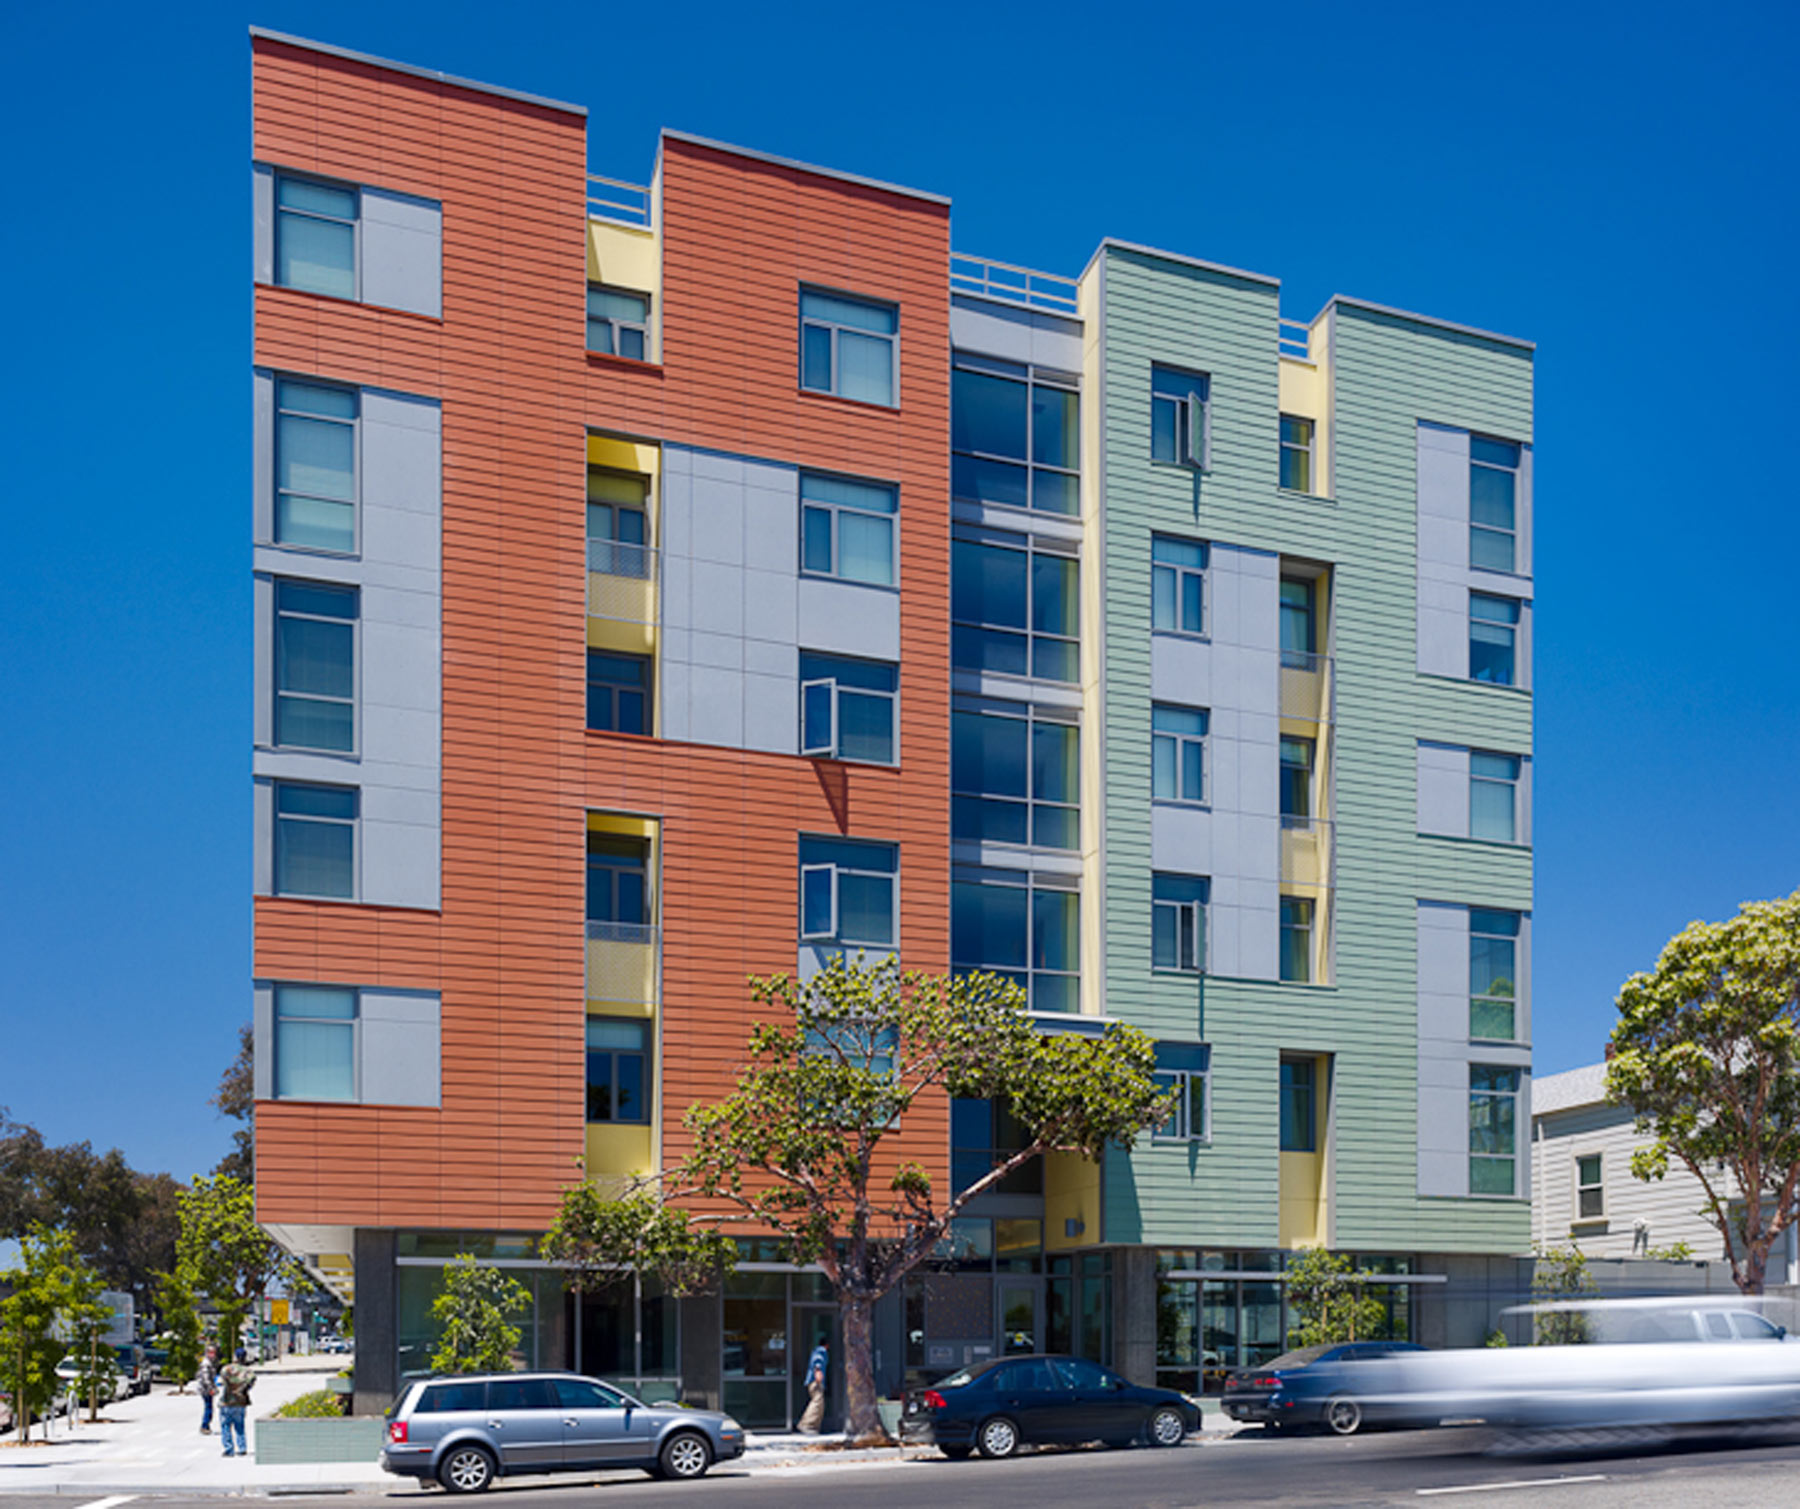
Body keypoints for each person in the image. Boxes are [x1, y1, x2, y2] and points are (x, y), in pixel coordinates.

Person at [218, 1347, 256, 1458]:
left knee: (226, 1426)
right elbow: (252, 1381)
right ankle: (242, 1448)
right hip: (241, 1402)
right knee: (240, 1426)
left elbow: (221, 1382)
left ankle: (229, 1449)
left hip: (227, 1401)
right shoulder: (248, 1371)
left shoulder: (226, 1369)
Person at [797, 1339, 828, 1434]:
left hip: (814, 1381)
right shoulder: (821, 1351)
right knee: (817, 1402)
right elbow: (817, 1361)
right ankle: (806, 1425)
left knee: (819, 1403)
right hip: (815, 1382)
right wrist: (818, 1371)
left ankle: (812, 1426)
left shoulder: (816, 1351)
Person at [197, 1344, 218, 1435]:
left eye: (214, 1352)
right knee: (208, 1408)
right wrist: (211, 1388)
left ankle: (206, 1425)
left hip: (207, 1388)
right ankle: (204, 1426)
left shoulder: (210, 1362)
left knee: (209, 1407)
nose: (212, 1354)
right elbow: (206, 1378)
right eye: (210, 1352)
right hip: (205, 1390)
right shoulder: (206, 1363)